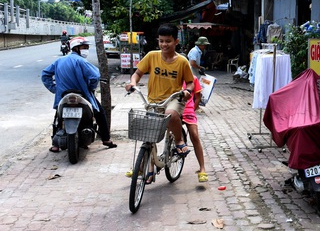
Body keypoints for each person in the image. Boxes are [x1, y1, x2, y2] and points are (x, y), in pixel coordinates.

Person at [125, 23, 195, 184]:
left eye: (168, 41)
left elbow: (190, 83)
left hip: (173, 100)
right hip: (154, 101)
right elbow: (137, 74)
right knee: (148, 133)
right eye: (161, 41)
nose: (164, 44)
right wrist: (132, 83)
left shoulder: (182, 61)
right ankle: (150, 168)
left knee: (170, 114)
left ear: (176, 42)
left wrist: (188, 91)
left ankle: (178, 141)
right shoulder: (151, 56)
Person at [42, 36, 117, 152]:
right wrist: (91, 88)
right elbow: (95, 76)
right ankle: (106, 139)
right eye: (84, 47)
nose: (86, 50)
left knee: (58, 117)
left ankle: (55, 145)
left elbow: (45, 75)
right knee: (99, 113)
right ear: (76, 48)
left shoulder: (59, 61)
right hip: (82, 94)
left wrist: (55, 89)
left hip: (63, 96)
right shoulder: (81, 61)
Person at [182, 76, 208, 182]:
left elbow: (198, 97)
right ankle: (145, 167)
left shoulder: (193, 78)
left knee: (195, 135)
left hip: (188, 110)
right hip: (173, 109)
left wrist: (193, 109)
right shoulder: (170, 76)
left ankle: (202, 168)